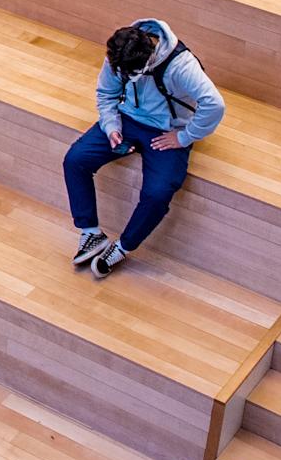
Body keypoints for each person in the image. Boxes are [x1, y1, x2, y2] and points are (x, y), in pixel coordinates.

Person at [63, 21, 226, 279]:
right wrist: (111, 126)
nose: (124, 77)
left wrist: (185, 137)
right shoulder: (119, 55)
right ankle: (91, 233)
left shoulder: (181, 66)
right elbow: (106, 94)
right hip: (127, 119)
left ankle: (123, 247)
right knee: (75, 160)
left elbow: (214, 105)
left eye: (131, 75)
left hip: (167, 131)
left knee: (158, 193)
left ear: (148, 59)